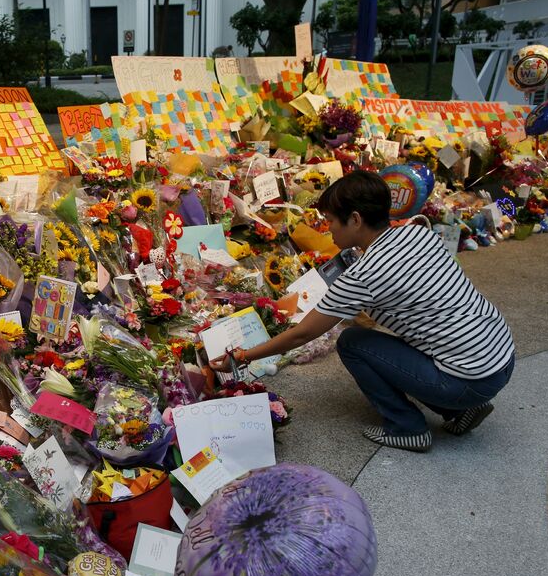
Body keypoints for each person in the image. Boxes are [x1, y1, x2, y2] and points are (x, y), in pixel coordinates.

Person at [212, 171, 515, 452]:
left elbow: (301, 334)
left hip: (469, 377)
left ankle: (407, 427)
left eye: (330, 220)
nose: (327, 229)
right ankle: (462, 409)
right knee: (407, 340)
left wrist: (242, 356)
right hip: (500, 355)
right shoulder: (418, 233)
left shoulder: (365, 275)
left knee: (352, 343)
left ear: (355, 220)